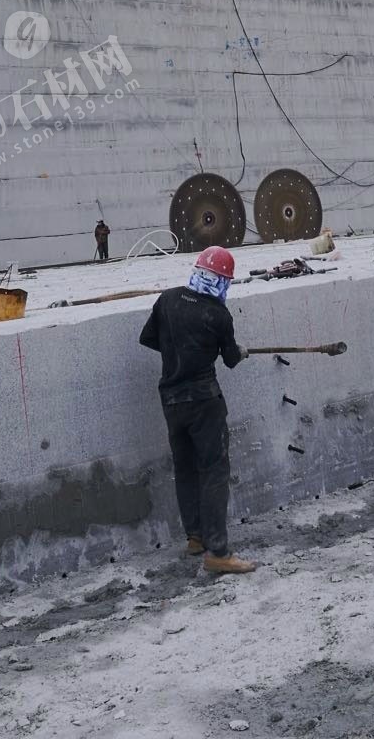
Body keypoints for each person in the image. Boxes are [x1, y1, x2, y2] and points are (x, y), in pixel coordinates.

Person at [139, 246, 256, 575]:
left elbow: (149, 338)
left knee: (186, 468)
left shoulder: (168, 299)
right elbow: (231, 359)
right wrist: (239, 351)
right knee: (214, 471)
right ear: (221, 281)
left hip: (171, 401)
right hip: (204, 402)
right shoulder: (218, 315)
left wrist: (180, 351)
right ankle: (218, 552)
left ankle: (196, 537)